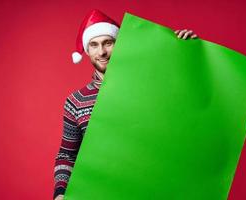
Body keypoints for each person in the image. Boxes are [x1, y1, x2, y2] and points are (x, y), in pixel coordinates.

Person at [53, 9, 198, 200]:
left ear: (118, 44)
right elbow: (67, 155)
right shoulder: (76, 101)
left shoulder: (148, 86)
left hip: (153, 188)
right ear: (87, 51)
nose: (102, 52)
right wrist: (60, 193)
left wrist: (188, 53)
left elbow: (185, 104)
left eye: (108, 43)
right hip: (102, 193)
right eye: (94, 45)